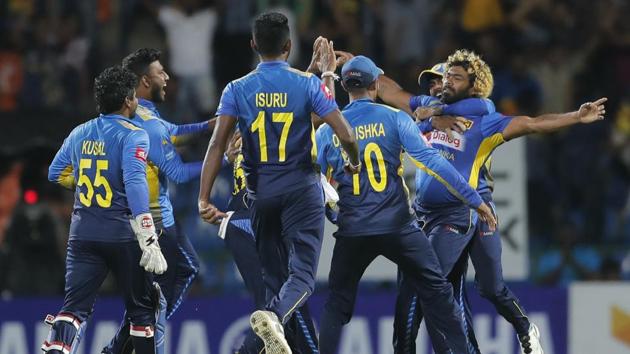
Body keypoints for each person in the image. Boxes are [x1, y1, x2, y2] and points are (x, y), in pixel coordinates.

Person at [380, 49, 606, 354]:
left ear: (470, 86)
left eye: (449, 78)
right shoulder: (428, 116)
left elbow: (532, 123)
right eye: (437, 80)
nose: (440, 84)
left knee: (488, 287)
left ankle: (524, 327)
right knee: (446, 287)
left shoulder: (482, 120)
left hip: (470, 210)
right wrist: (352, 65)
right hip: (435, 216)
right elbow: (390, 92)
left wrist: (576, 117)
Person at [197, 13, 360, 354]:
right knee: (300, 278)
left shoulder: (236, 89)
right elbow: (342, 131)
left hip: (260, 195)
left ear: (253, 45)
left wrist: (203, 197)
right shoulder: (306, 84)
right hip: (300, 191)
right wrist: (353, 161)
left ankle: (267, 334)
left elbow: (215, 145)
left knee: (275, 281)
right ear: (289, 45)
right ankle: (268, 325)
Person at [316, 55, 498, 354]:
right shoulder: (395, 118)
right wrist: (475, 200)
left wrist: (332, 212)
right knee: (438, 291)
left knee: (336, 304)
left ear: (347, 87)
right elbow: (432, 161)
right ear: (375, 84)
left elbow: (318, 183)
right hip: (398, 227)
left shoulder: (326, 131)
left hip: (353, 229)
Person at [43, 66, 167, 354]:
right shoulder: (133, 135)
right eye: (135, 96)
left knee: (73, 309)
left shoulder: (79, 132)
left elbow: (55, 173)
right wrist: (148, 235)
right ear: (127, 100)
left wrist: (84, 184)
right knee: (142, 310)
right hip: (122, 235)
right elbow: (135, 181)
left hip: (83, 235)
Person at [101, 48, 214, 354]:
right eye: (160, 72)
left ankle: (123, 344)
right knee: (175, 279)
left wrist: (206, 127)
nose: (166, 77)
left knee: (151, 295)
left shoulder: (141, 113)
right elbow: (177, 172)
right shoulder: (147, 122)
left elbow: (172, 132)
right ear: (143, 80)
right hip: (154, 221)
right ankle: (130, 343)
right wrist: (223, 160)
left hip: (136, 218)